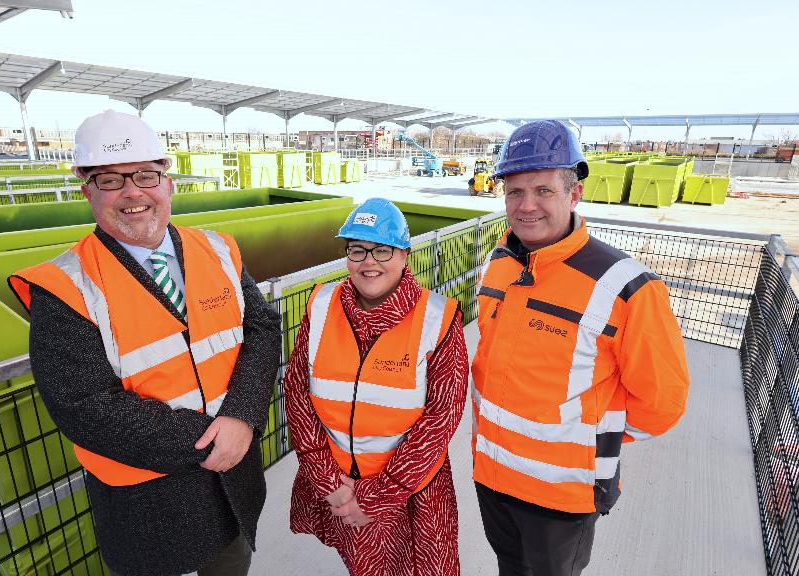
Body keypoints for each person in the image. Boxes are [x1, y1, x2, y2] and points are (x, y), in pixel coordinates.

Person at [8, 110, 280, 576]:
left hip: (233, 484)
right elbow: (84, 407)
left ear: (168, 183)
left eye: (146, 175)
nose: (133, 192)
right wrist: (214, 440)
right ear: (87, 191)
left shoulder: (218, 250)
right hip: (147, 507)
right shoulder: (64, 287)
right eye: (111, 180)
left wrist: (242, 415)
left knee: (233, 565)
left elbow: (261, 329)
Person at [471, 120, 690, 576]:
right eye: (514, 192)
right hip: (492, 474)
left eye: (543, 190)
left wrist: (587, 440)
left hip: (561, 494)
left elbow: (662, 403)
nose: (526, 206)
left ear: (574, 194)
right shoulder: (501, 263)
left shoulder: (626, 288)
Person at [283, 198, 469, 576]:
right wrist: (328, 481)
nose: (369, 262)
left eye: (382, 250)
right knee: (360, 563)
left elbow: (442, 418)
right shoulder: (321, 305)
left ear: (404, 255)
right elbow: (297, 392)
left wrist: (376, 495)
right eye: (357, 250)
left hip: (409, 489)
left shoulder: (438, 318)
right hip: (337, 482)